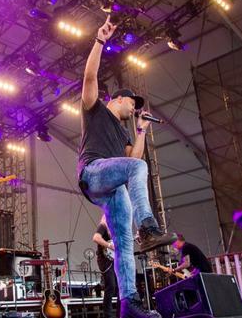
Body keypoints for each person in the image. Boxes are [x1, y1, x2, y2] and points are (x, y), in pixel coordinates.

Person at [77, 16, 176, 318]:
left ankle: (128, 304)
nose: (133, 109)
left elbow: (135, 158)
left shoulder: (123, 131)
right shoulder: (94, 109)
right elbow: (90, 79)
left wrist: (142, 129)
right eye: (132, 104)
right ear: (118, 99)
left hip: (113, 187)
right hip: (93, 171)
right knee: (134, 170)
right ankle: (148, 227)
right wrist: (99, 41)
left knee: (121, 243)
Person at [93, 214, 119, 318]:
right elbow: (95, 238)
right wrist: (109, 245)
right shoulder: (103, 226)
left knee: (118, 288)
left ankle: (120, 313)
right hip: (104, 260)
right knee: (111, 286)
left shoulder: (115, 229)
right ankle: (107, 315)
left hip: (114, 259)